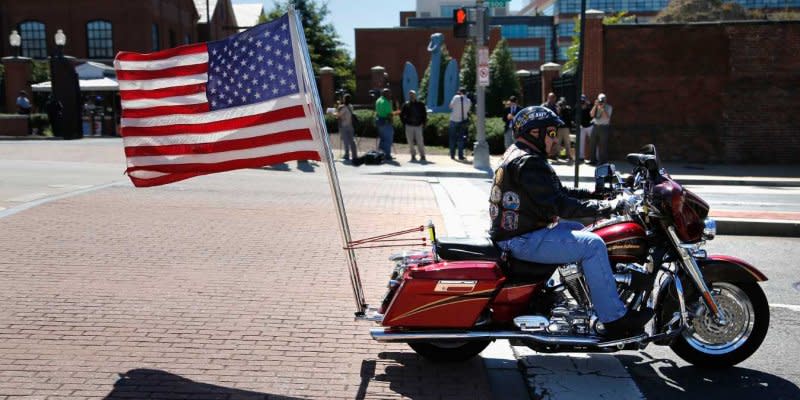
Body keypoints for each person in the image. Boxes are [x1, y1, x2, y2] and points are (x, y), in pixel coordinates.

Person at [488, 106, 653, 340]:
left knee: (580, 230)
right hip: (521, 239)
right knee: (593, 244)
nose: (556, 140)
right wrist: (610, 207)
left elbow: (558, 192)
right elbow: (560, 206)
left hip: (520, 233)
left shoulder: (522, 155)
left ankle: (580, 297)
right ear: (535, 133)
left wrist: (597, 195)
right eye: (552, 133)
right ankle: (615, 319)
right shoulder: (528, 162)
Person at [400, 90, 428, 162]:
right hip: (409, 125)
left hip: (418, 125)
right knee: (410, 142)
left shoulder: (420, 104)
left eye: (413, 94)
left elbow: (424, 115)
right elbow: (402, 115)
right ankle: (413, 155)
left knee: (420, 141)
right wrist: (404, 123)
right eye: (410, 95)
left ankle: (422, 155)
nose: (411, 96)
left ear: (416, 95)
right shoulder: (406, 105)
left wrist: (423, 123)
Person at [374, 88, 398, 160]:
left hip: (379, 122)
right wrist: (395, 114)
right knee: (388, 140)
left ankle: (381, 154)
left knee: (382, 139)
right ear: (385, 94)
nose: (390, 95)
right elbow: (389, 115)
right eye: (389, 93)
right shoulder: (386, 102)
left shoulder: (378, 100)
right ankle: (387, 155)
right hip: (386, 123)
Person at [589, 93, 613, 165]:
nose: (602, 101)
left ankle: (603, 161)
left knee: (603, 145)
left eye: (603, 100)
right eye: (600, 99)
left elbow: (607, 117)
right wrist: (595, 106)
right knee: (592, 144)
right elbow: (591, 115)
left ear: (606, 100)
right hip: (595, 126)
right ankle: (593, 160)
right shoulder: (596, 107)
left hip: (604, 127)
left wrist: (602, 108)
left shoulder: (609, 107)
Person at [448, 88, 471, 161]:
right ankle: (460, 155)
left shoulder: (455, 97)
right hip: (463, 121)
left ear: (459, 92)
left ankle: (452, 155)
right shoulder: (468, 101)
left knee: (452, 138)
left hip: (454, 120)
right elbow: (467, 111)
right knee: (461, 138)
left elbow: (450, 106)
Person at [335, 94, 358, 162]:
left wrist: (335, 112)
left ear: (344, 99)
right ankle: (354, 155)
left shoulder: (344, 108)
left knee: (346, 141)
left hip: (344, 126)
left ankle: (347, 155)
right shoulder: (351, 106)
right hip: (351, 125)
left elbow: (338, 115)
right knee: (352, 140)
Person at [553, 97, 574, 163]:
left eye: (563, 103)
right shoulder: (558, 109)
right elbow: (557, 115)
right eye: (561, 104)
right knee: (558, 142)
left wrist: (564, 108)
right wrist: (559, 109)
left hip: (565, 127)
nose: (562, 105)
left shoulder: (568, 108)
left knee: (567, 142)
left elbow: (569, 116)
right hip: (559, 128)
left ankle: (569, 156)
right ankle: (557, 155)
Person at [579, 94, 594, 162]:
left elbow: (593, 114)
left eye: (583, 100)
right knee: (581, 142)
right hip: (582, 127)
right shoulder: (578, 106)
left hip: (590, 126)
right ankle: (581, 157)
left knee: (593, 142)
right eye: (581, 100)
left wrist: (589, 104)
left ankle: (594, 157)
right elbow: (573, 114)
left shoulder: (590, 106)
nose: (582, 102)